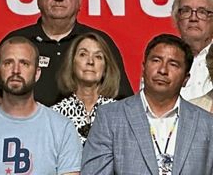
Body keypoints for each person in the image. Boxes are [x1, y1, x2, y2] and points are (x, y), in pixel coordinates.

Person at [0, 0, 131, 109]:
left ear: (79, 1)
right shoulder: (18, 42)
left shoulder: (97, 42)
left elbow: (124, 102)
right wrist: (21, 117)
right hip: (29, 134)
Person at [82, 34, 213, 175]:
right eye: (156, 60)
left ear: (186, 78)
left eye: (173, 64)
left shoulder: (206, 124)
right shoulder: (110, 118)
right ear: (144, 67)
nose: (163, 70)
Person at [0, 37, 81, 175]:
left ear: (37, 73)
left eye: (24, 63)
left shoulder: (62, 128)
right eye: (8, 63)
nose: (16, 70)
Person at [50, 33, 122, 143]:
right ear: (72, 63)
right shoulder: (54, 115)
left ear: (105, 68)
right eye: (83, 54)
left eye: (98, 57)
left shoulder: (120, 113)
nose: (90, 62)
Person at [171, 0, 213, 100]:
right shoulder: (164, 59)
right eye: (186, 11)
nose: (193, 18)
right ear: (176, 18)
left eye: (202, 12)